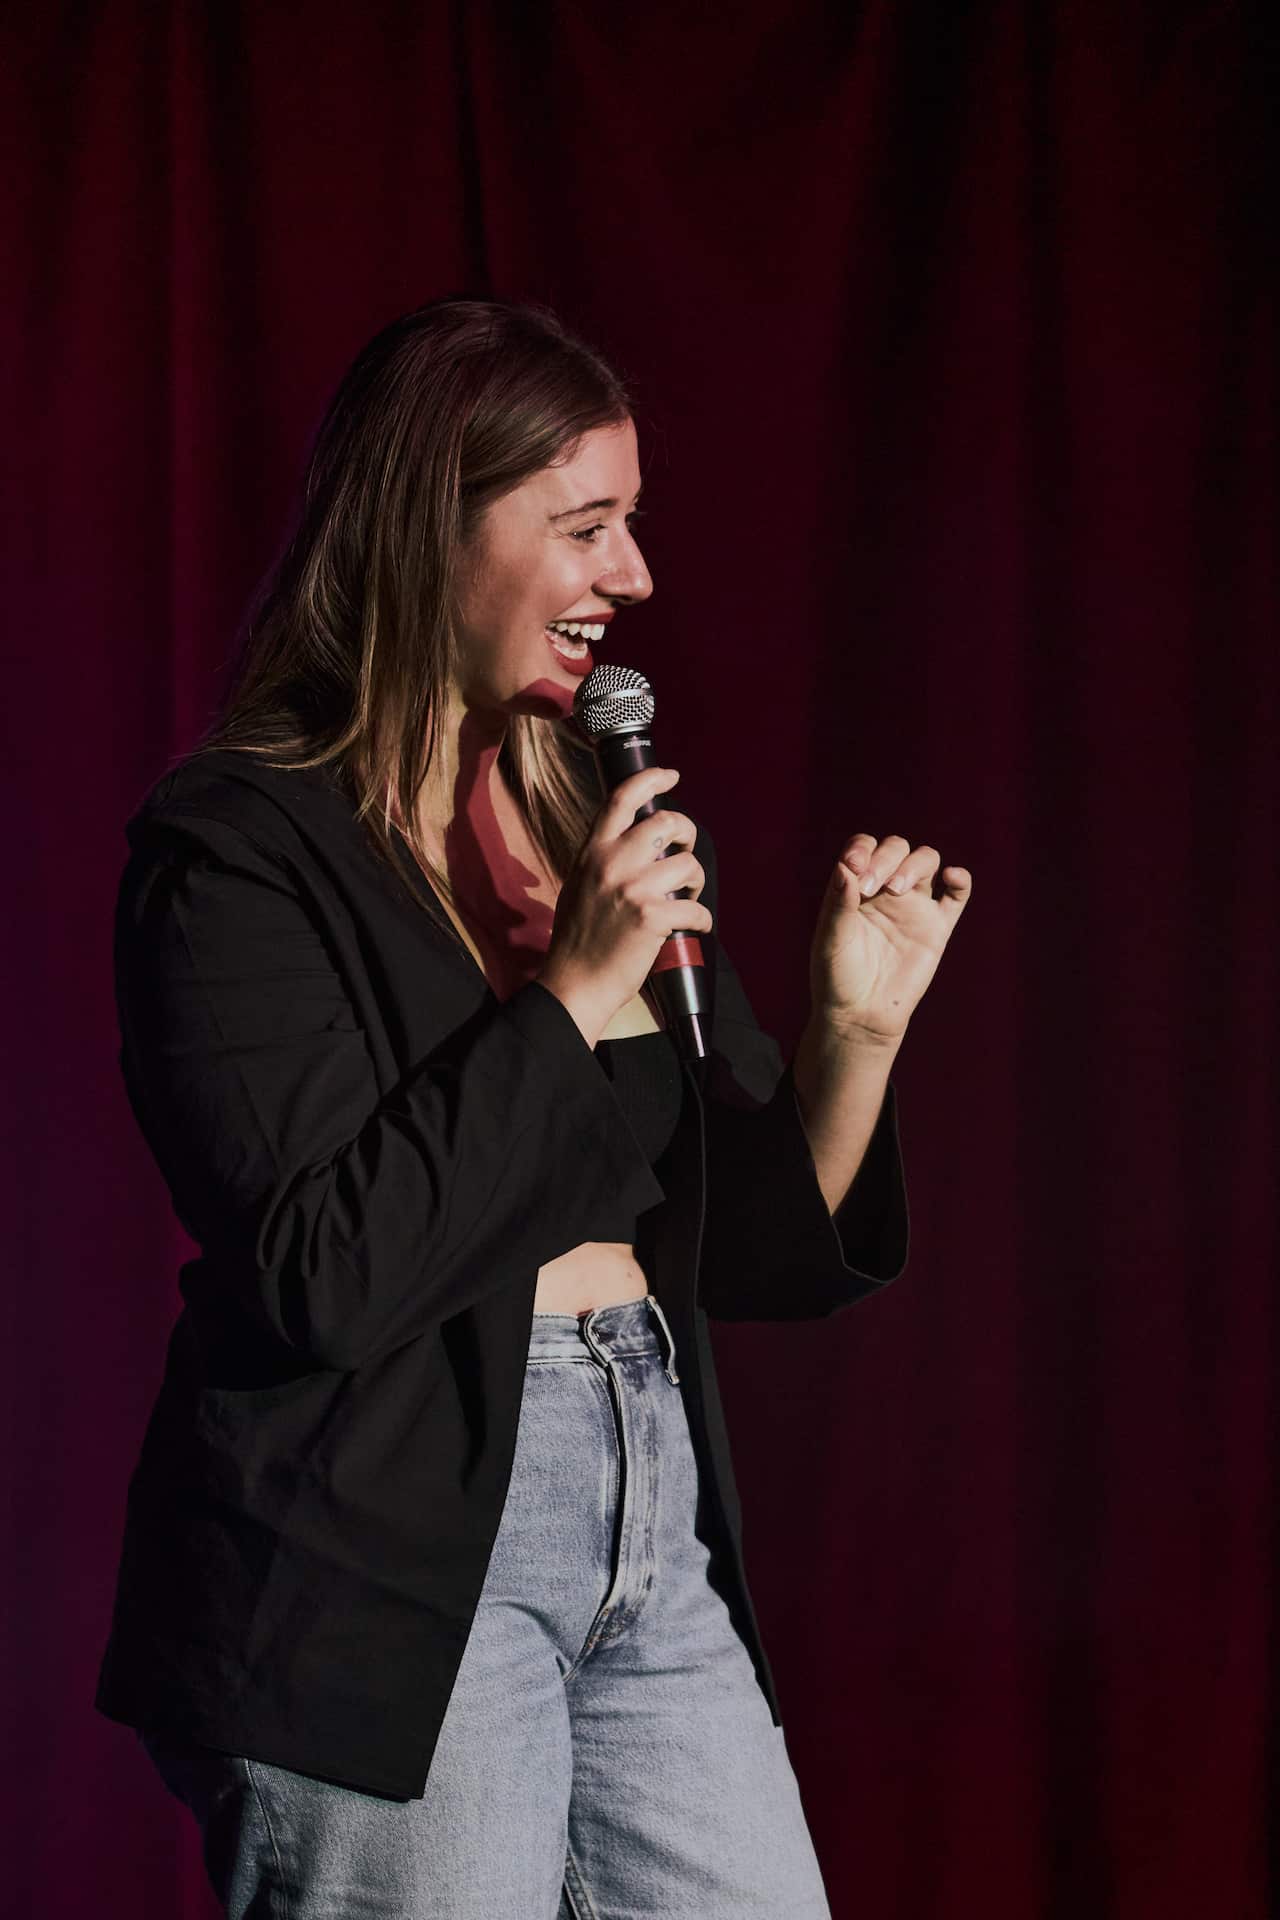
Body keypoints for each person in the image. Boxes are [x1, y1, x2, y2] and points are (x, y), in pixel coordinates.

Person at [95, 296, 972, 1918]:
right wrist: (568, 994)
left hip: (649, 1514)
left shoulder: (581, 808)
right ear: (434, 526)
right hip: (382, 1552)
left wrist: (857, 1028)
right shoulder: (235, 854)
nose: (632, 577)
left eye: (632, 526)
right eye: (587, 527)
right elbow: (325, 1271)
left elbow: (752, 1250)